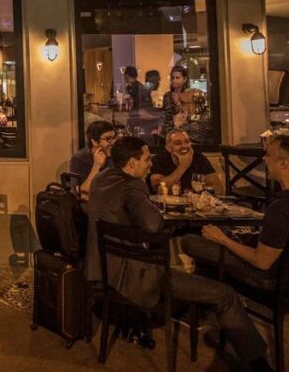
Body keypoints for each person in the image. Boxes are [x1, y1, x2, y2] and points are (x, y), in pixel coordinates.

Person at [84, 137, 272, 371]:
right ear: (131, 163)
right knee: (225, 294)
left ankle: (199, 307)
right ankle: (258, 363)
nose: (150, 164)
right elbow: (154, 225)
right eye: (145, 160)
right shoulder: (133, 185)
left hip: (102, 269)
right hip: (135, 276)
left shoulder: (101, 178)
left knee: (192, 248)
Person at [185, 135, 289, 297]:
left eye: (268, 155)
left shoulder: (281, 209)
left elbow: (262, 262)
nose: (264, 159)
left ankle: (216, 300)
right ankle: (215, 299)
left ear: (284, 163)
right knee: (222, 233)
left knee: (191, 242)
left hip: (278, 280)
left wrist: (223, 240)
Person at [148, 129, 222, 194]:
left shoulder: (200, 159)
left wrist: (193, 193)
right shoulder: (158, 160)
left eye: (187, 142)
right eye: (178, 143)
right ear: (168, 147)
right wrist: (183, 166)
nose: (184, 146)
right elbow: (157, 187)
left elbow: (219, 189)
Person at [69, 121, 116, 204]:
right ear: (94, 141)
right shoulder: (80, 159)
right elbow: (80, 193)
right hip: (89, 205)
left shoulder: (115, 156)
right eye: (108, 139)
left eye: (114, 138)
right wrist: (96, 166)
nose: (113, 142)